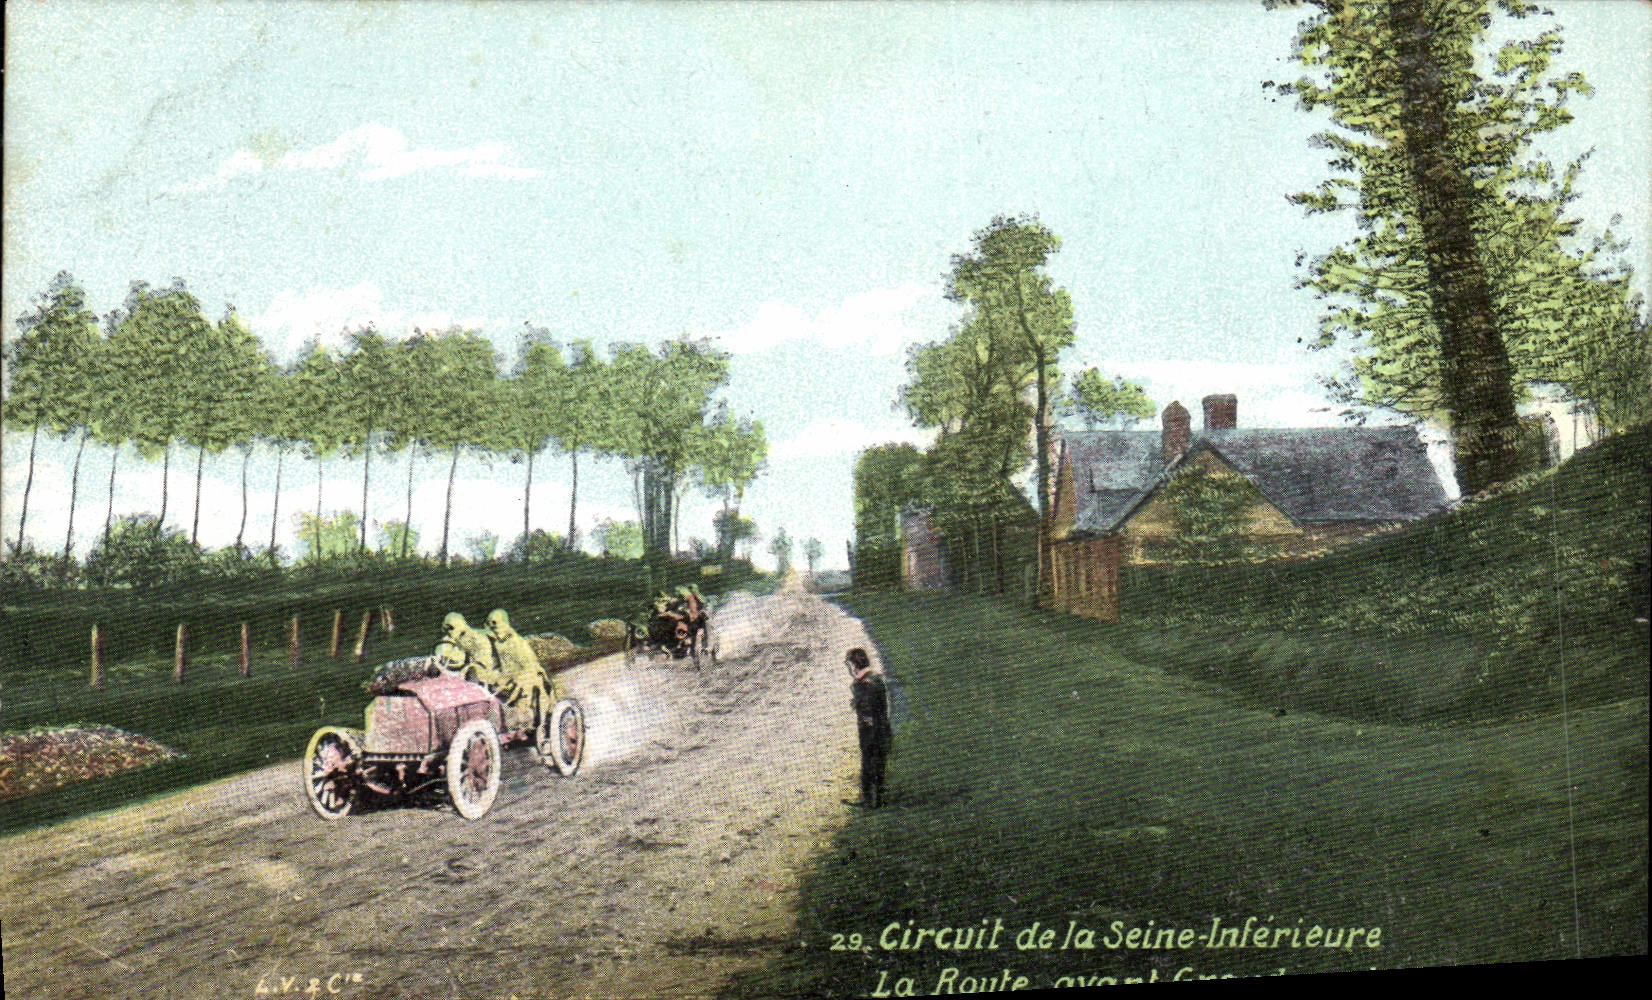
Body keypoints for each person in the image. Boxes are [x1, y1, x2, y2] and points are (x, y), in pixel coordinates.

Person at [486, 608, 560, 733]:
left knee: (527, 691)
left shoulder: (517, 642)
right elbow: (498, 667)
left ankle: (539, 726)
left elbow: (530, 666)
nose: (493, 627)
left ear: (505, 623)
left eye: (495, 623)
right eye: (490, 624)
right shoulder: (498, 644)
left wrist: (518, 680)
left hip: (528, 678)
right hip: (510, 681)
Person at [846, 647, 892, 808]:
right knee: (879, 763)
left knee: (868, 763)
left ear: (854, 665)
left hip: (870, 730)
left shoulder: (862, 683)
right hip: (882, 728)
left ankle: (869, 800)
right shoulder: (876, 678)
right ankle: (877, 798)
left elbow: (867, 708)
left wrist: (858, 707)